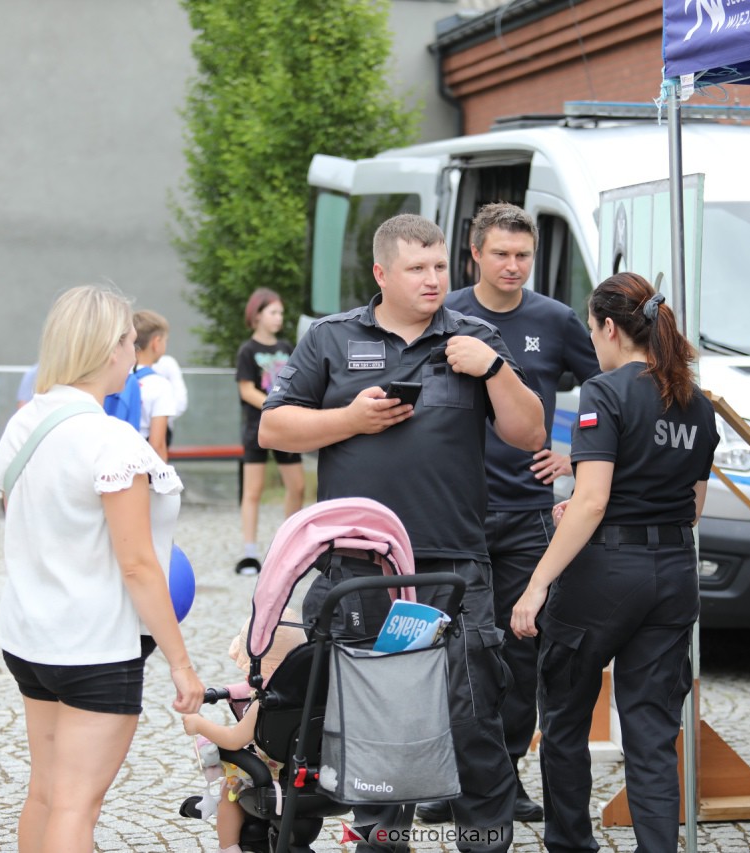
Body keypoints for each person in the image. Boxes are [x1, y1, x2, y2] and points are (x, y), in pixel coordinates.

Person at [259, 213, 546, 853]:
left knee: (472, 713)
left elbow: (530, 434)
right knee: (376, 713)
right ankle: (381, 840)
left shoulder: (475, 337)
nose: (432, 279)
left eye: (440, 266)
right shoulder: (332, 339)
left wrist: (495, 370)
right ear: (382, 273)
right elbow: (273, 428)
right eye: (417, 268)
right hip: (363, 566)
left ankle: (485, 841)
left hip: (455, 564)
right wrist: (350, 420)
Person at [0, 284, 204, 853]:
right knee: (76, 806)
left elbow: (27, 523)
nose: (134, 351)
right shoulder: (112, 441)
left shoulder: (25, 423)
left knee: (46, 793)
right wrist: (182, 665)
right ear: (111, 349)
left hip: (29, 635)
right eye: (130, 340)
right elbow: (138, 566)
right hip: (95, 647)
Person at [510, 272, 719, 853]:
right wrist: (592, 504)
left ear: (608, 328)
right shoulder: (698, 403)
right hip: (672, 573)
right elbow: (692, 508)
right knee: (652, 735)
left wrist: (536, 585)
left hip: (604, 575)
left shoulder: (604, 391)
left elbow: (594, 501)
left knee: (565, 719)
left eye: (591, 331)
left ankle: (572, 844)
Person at [426, 202, 600, 824]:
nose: (513, 265)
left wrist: (577, 454)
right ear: (475, 254)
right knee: (453, 652)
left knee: (521, 653)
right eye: (500, 253)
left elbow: (609, 388)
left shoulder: (554, 320)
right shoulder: (444, 316)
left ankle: (504, 780)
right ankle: (448, 782)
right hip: (455, 513)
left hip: (528, 513)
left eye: (523, 255)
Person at [181, 612, 305, 853]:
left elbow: (234, 740)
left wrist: (199, 724)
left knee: (231, 788)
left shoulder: (265, 704)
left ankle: (228, 846)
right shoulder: (310, 693)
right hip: (305, 769)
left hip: (272, 772)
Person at [234, 289, 304, 575]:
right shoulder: (247, 350)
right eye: (273, 312)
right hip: (257, 429)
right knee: (253, 491)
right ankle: (250, 554)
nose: (279, 318)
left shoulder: (287, 347)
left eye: (281, 313)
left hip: (287, 428)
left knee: (297, 486)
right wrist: (274, 406)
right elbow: (246, 389)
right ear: (257, 315)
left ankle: (288, 548)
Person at [131, 310, 178, 463]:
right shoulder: (160, 385)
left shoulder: (116, 377)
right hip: (141, 463)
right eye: (165, 340)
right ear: (156, 343)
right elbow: (157, 445)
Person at [152, 351, 189, 447]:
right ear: (156, 343)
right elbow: (180, 402)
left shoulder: (167, 363)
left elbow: (180, 403)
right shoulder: (167, 364)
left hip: (163, 427)